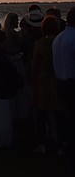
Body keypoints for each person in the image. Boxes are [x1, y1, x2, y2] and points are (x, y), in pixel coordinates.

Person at [32, 15, 63, 154]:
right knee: (58, 111)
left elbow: (34, 65)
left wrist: (32, 77)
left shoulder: (40, 44)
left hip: (43, 79)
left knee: (41, 111)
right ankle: (59, 141)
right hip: (57, 77)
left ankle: (42, 142)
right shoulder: (59, 42)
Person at [52, 6, 75, 162]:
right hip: (71, 82)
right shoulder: (72, 37)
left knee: (65, 116)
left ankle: (64, 145)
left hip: (60, 81)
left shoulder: (59, 37)